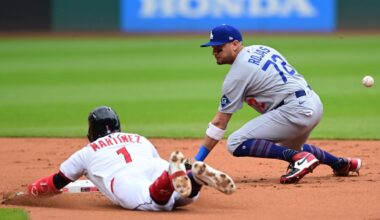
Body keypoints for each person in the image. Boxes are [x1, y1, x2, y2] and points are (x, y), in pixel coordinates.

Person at [193, 24, 362, 184]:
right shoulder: (262, 48)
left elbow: (219, 122)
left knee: (235, 142)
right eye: (213, 48)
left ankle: (301, 159)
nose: (214, 52)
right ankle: (341, 164)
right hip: (313, 103)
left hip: (295, 110)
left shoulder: (237, 75)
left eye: (219, 47)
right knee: (288, 148)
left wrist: (196, 161)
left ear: (235, 44)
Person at [27, 106, 236, 211]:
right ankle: (193, 177)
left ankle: (170, 175)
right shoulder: (138, 138)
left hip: (126, 178)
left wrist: (31, 192)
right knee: (181, 198)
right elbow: (153, 159)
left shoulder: (87, 151)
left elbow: (55, 182)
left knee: (156, 203)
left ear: (91, 131)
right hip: (154, 165)